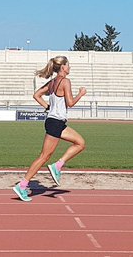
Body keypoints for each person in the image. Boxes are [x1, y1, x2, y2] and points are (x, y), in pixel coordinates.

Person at [12, 55, 87, 202]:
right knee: (44, 156)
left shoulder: (52, 82)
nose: (70, 67)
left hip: (56, 122)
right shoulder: (65, 81)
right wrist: (81, 94)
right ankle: (22, 185)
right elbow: (70, 103)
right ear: (63, 67)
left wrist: (48, 107)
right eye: (68, 65)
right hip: (55, 123)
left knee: (80, 143)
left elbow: (36, 95)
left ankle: (57, 165)